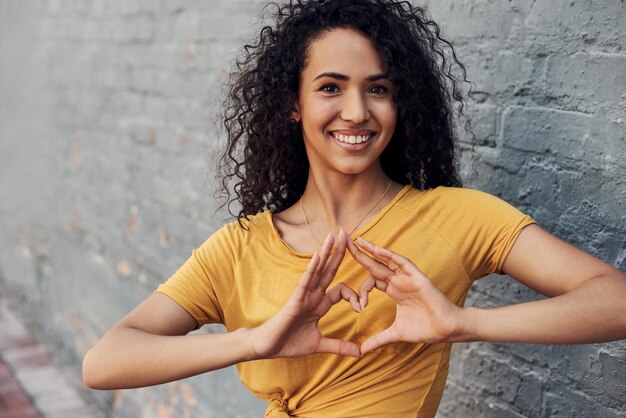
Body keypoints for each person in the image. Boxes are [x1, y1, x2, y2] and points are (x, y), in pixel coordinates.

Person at [82, 1, 626, 417]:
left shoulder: (457, 217)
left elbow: (614, 300)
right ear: (293, 105)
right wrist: (255, 341)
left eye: (378, 89)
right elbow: (104, 362)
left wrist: (463, 323)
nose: (357, 111)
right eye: (330, 87)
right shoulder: (240, 246)